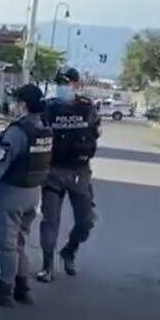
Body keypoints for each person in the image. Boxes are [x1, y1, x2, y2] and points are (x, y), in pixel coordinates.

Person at [0, 84, 52, 307]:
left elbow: (0, 165)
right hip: (33, 193)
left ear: (23, 105)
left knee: (7, 244)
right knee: (19, 242)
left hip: (11, 194)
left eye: (16, 102)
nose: (14, 106)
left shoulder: (18, 131)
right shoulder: (44, 128)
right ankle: (22, 288)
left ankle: (5, 290)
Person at [36, 67, 101, 283]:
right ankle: (47, 267)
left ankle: (69, 251)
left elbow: (95, 133)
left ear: (76, 84)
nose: (63, 86)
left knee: (86, 221)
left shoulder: (87, 107)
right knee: (50, 220)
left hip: (79, 172)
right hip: (53, 171)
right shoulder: (48, 108)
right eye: (59, 82)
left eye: (67, 82)